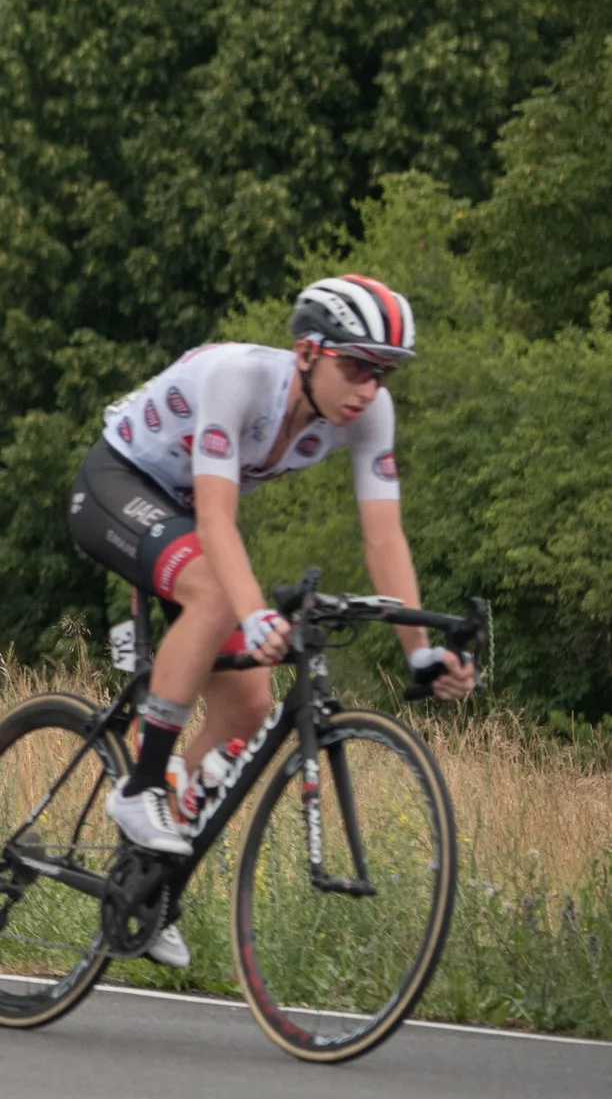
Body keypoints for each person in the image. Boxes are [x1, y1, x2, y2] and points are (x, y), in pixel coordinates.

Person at [68, 274, 478, 968]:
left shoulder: (367, 415)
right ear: (307, 352)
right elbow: (219, 519)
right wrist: (256, 613)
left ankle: (144, 877)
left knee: (248, 707)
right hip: (119, 484)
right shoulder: (238, 378)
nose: (367, 389)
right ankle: (140, 790)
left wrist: (419, 652)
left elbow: (385, 539)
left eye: (381, 374)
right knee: (221, 599)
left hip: (186, 518)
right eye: (354, 367)